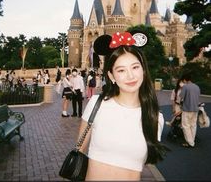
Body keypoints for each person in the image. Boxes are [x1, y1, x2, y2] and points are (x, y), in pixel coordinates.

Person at [77, 31, 167, 181]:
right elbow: (78, 150)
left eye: (135, 67)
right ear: (111, 76)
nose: (130, 76)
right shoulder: (97, 105)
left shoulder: (155, 118)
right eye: (121, 70)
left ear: (143, 70)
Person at [180, 72, 200, 148]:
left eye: (183, 80)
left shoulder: (185, 87)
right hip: (195, 109)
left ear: (185, 80)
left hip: (187, 109)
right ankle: (192, 140)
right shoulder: (197, 87)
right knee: (193, 125)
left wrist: (182, 88)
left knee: (185, 126)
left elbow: (181, 97)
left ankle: (190, 143)